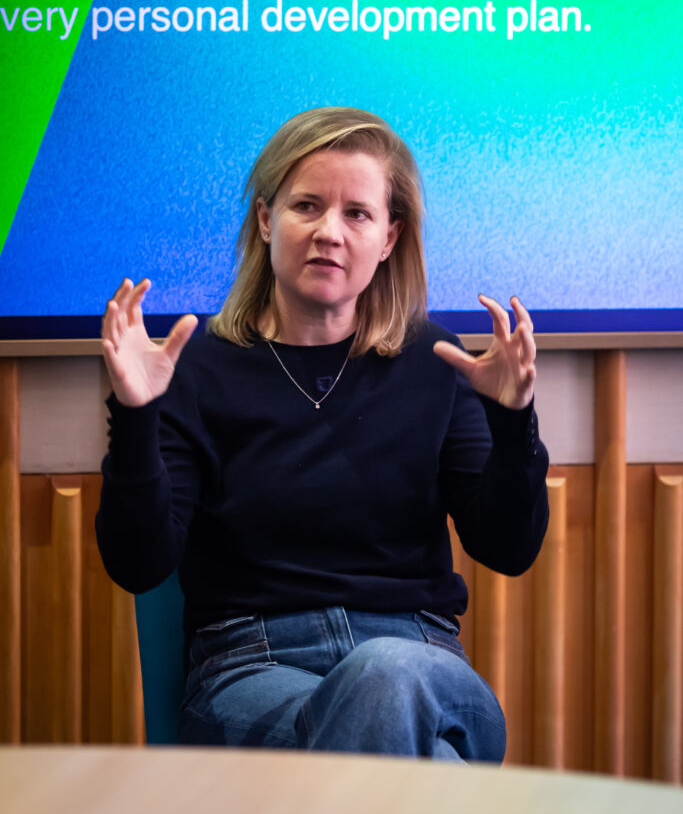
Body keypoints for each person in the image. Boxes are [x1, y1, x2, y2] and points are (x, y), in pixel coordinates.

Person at [96, 106, 549, 762]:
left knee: (387, 675)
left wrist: (513, 423)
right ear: (264, 221)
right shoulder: (197, 369)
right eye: (306, 206)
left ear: (390, 237)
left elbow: (507, 549)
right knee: (430, 770)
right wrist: (136, 416)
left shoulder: (435, 361)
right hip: (250, 668)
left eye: (356, 213)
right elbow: (138, 563)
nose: (327, 233)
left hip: (419, 660)